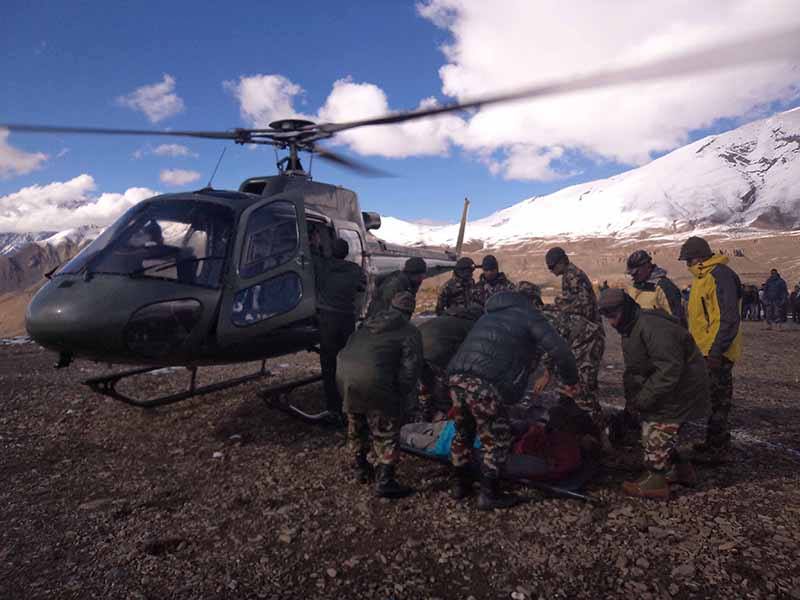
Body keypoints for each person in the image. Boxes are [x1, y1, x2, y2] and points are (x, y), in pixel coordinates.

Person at [446, 290, 579, 510]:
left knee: (464, 432)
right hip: (484, 383)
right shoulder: (529, 315)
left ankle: (460, 485)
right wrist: (571, 380)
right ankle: (489, 494)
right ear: (531, 302)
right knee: (497, 438)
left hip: (457, 378)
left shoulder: (488, 316)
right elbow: (560, 351)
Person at [598, 289, 710, 499]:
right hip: (670, 385)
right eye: (607, 318)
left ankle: (655, 480)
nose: (611, 323)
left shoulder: (652, 327)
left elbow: (669, 370)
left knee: (656, 428)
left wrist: (643, 399)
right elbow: (636, 370)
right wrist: (633, 401)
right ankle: (681, 470)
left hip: (682, 388)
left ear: (626, 309)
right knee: (650, 423)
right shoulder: (631, 326)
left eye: (614, 316)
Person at [337, 291, 423, 498]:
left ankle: (360, 469)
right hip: (374, 381)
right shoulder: (409, 331)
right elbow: (410, 370)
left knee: (356, 424)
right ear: (410, 312)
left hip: (344, 377)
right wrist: (399, 395)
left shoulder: (367, 324)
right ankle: (385, 481)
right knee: (386, 431)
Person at [678, 236, 743, 459]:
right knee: (713, 399)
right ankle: (714, 443)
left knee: (718, 400)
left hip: (716, 352)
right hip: (704, 350)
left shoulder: (719, 275)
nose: (687, 265)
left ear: (699, 258)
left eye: (688, 260)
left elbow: (728, 317)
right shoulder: (702, 277)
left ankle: (718, 449)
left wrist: (716, 351)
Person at [545, 247, 605, 427]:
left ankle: (597, 429)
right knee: (580, 386)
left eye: (552, 266)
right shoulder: (569, 275)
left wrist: (559, 306)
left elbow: (585, 307)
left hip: (589, 338)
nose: (551, 271)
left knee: (586, 389)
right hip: (582, 337)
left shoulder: (573, 276)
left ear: (561, 261)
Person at [314, 238, 367, 416]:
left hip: (327, 319)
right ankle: (349, 401)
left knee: (328, 362)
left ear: (332, 251)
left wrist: (316, 242)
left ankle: (333, 406)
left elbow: (312, 256)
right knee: (346, 359)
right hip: (346, 318)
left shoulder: (323, 266)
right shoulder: (355, 269)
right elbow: (361, 287)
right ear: (346, 252)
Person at [417, 305, 483, 420]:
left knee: (428, 384)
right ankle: (446, 416)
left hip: (415, 350)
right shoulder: (470, 325)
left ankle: (427, 413)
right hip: (436, 354)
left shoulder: (441, 319)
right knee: (444, 387)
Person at [625, 249, 686, 326]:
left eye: (636, 272)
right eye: (631, 274)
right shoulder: (633, 287)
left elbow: (677, 319)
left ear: (647, 266)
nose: (633, 276)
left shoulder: (665, 287)